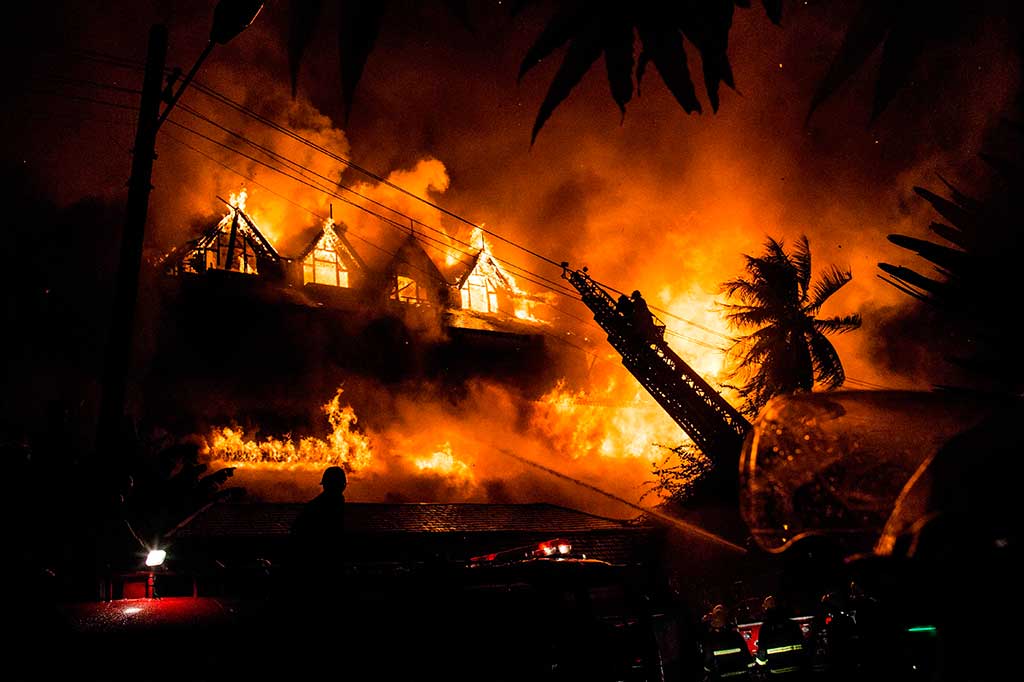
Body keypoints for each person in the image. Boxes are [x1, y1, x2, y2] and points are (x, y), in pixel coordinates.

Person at [755, 595, 808, 678]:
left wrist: (759, 666)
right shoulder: (792, 624)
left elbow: (762, 654)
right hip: (797, 671)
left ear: (766, 609)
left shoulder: (765, 628)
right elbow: (804, 647)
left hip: (776, 672)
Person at [702, 604, 753, 680]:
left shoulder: (711, 639)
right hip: (742, 677)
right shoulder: (736, 635)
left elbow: (709, 662)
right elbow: (747, 657)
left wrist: (707, 673)